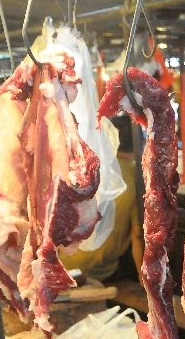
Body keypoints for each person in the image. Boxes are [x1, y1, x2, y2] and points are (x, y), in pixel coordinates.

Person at [59, 115, 145, 284]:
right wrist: (144, 282)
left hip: (65, 264)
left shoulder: (89, 166)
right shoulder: (136, 178)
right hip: (103, 272)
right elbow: (137, 236)